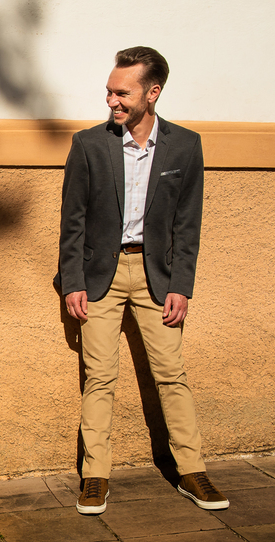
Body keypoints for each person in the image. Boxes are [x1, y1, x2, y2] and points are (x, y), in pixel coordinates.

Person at [57, 46, 228, 516]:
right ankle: (95, 477)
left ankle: (192, 471)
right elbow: (72, 220)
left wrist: (182, 285)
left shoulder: (185, 146)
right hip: (99, 277)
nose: (112, 100)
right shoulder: (89, 144)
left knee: (172, 375)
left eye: (122, 92)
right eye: (109, 91)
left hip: (158, 277)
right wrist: (73, 280)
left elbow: (187, 224)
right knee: (100, 378)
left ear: (152, 93)